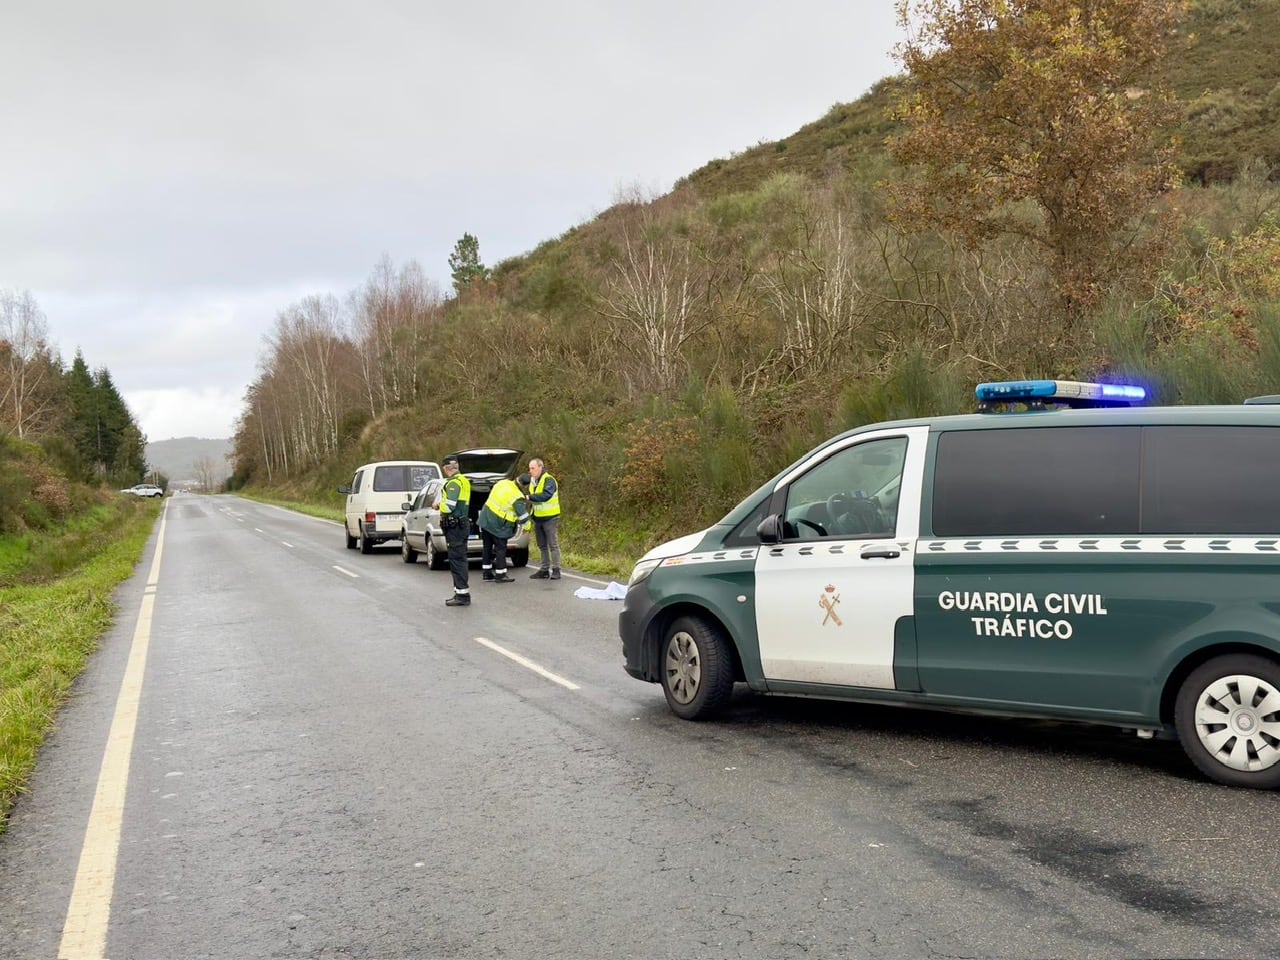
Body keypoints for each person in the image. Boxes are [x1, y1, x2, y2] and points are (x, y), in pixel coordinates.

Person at [478, 475, 531, 583]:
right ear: (524, 486)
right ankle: (500, 574)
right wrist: (527, 527)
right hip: (499, 524)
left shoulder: (502, 483)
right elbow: (523, 516)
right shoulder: (517, 496)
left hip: (485, 518)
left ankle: (487, 573)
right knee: (500, 548)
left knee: (487, 547)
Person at [439, 456, 472, 606]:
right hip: (462, 524)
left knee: (457, 560)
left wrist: (438, 505)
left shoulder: (453, 484)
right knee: (461, 559)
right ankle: (460, 592)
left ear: (446, 468)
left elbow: (449, 506)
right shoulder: (464, 480)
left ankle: (462, 595)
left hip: (455, 527)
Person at [526, 457, 562, 580]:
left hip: (550, 517)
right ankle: (544, 569)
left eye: (533, 468)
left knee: (553, 544)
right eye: (530, 468)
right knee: (542, 545)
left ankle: (556, 570)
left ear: (540, 467)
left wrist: (529, 497)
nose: (530, 471)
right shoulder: (533, 480)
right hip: (538, 517)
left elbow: (546, 495)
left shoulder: (549, 480)